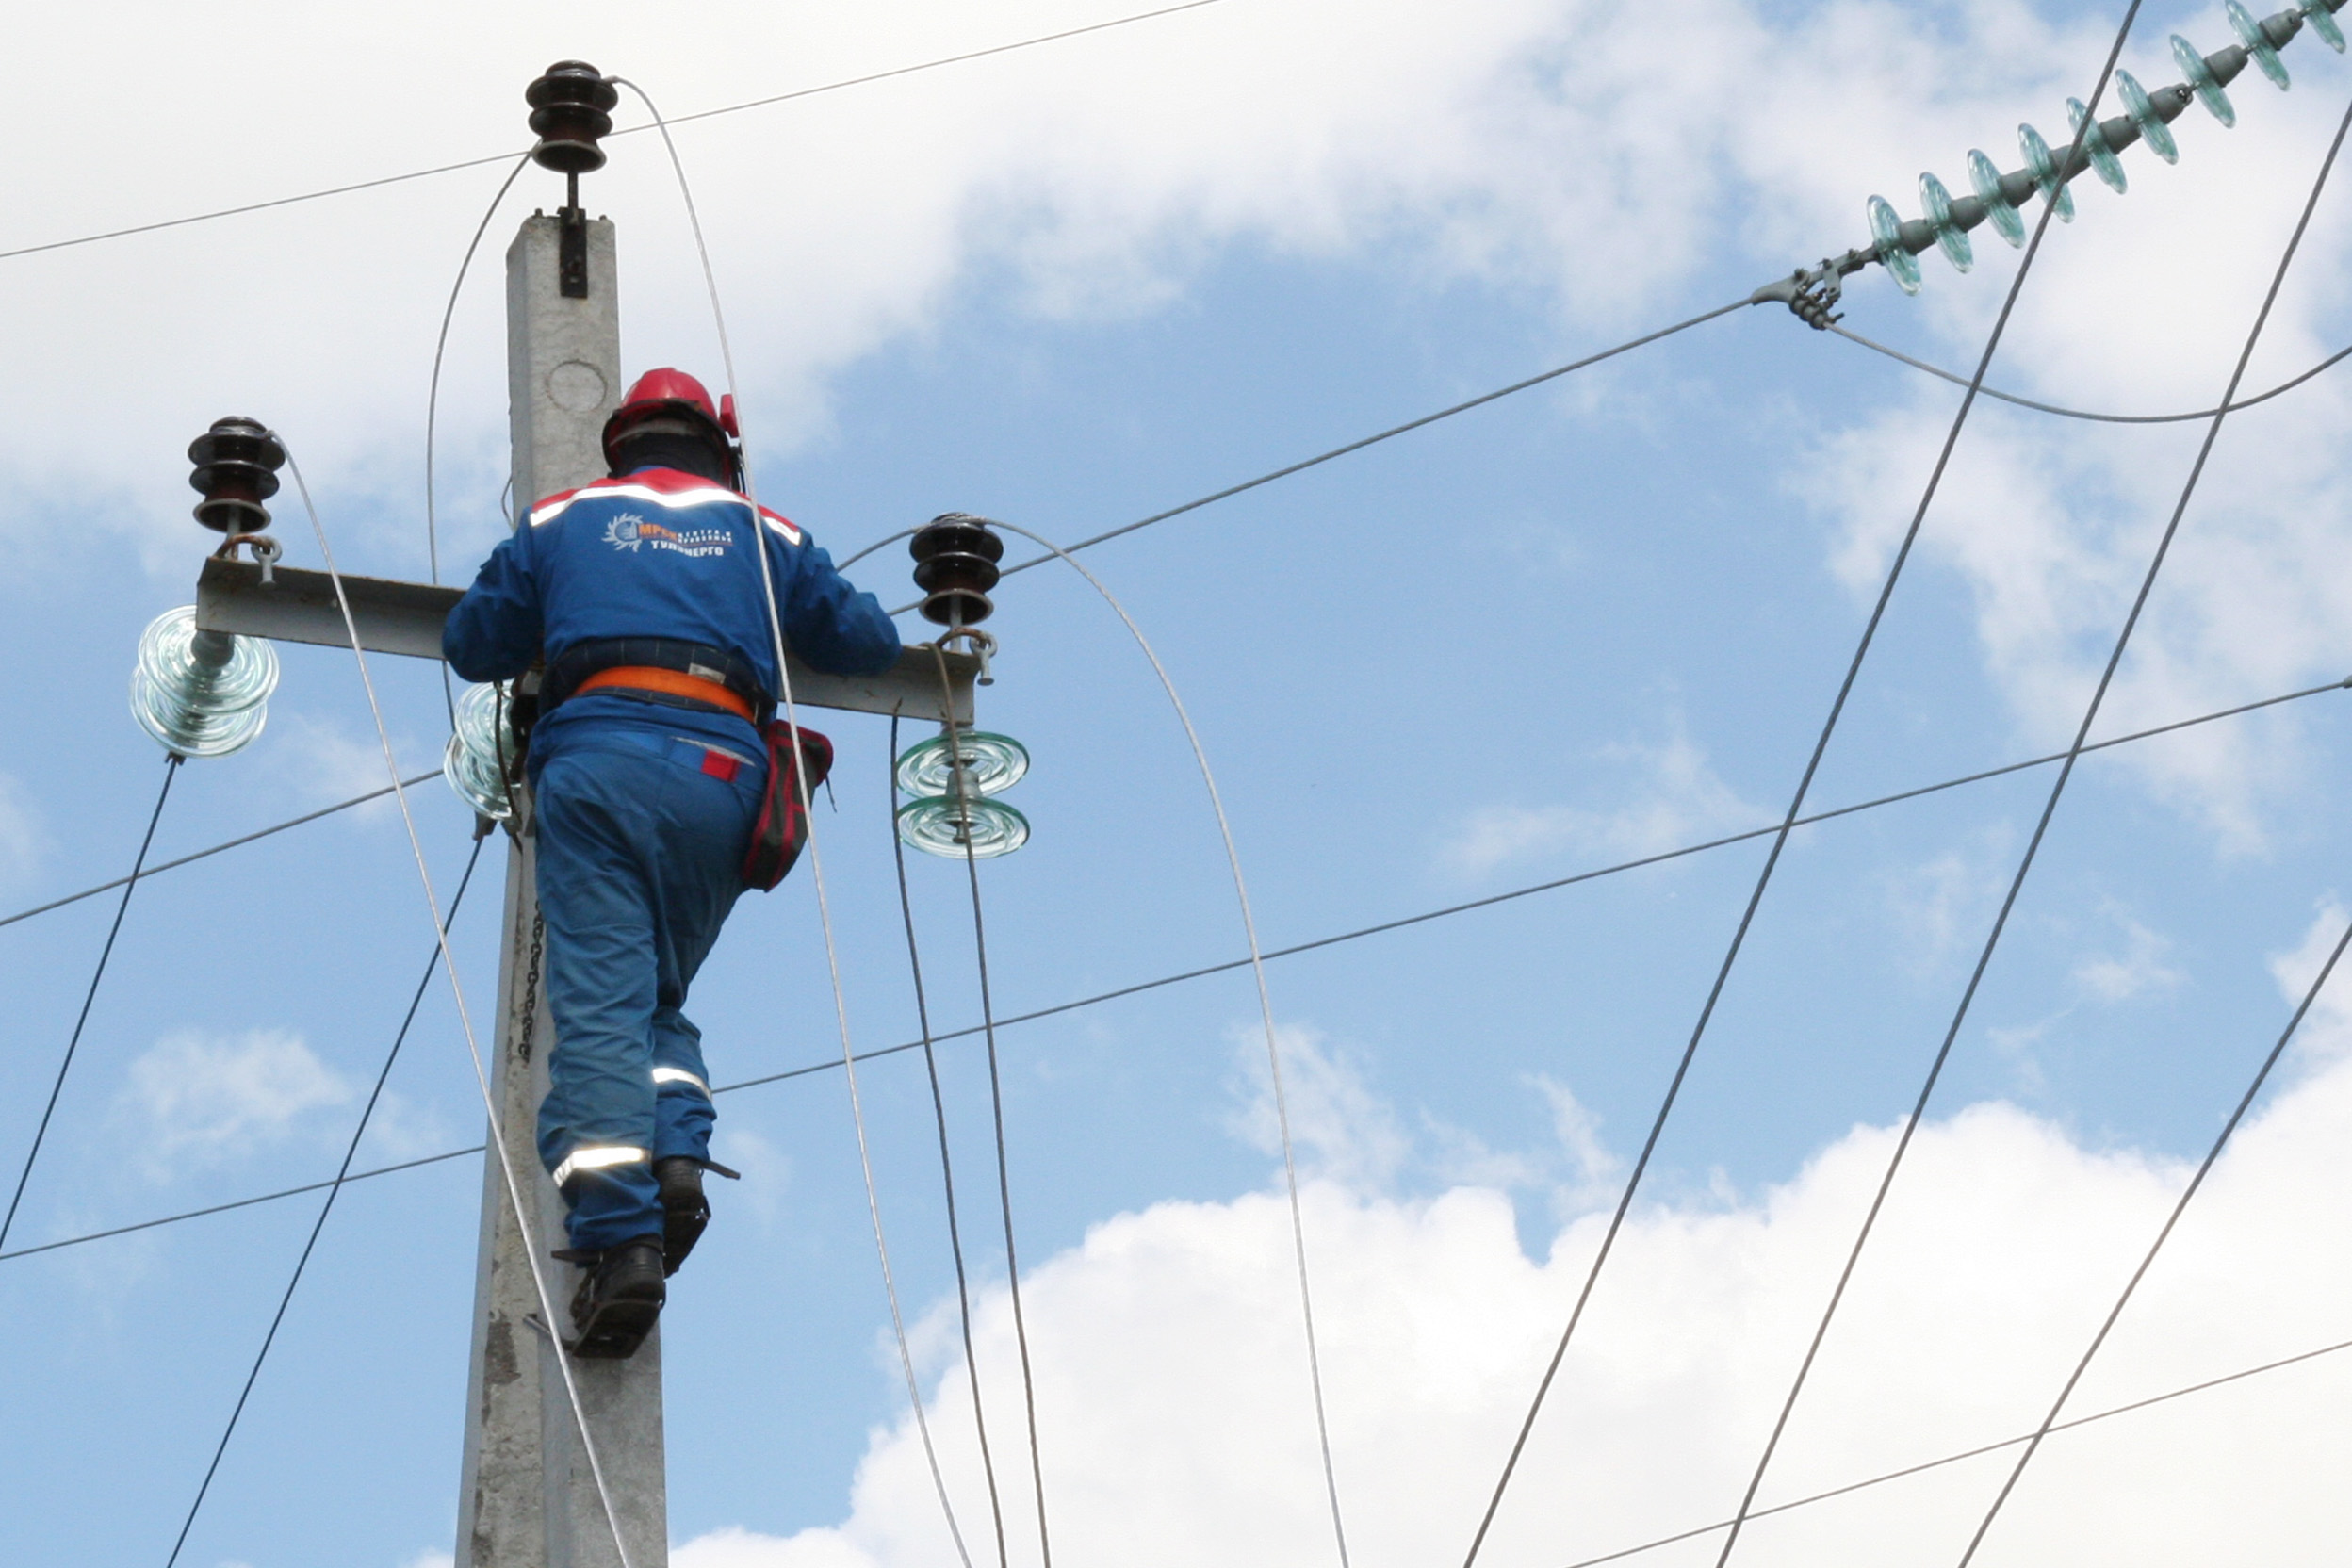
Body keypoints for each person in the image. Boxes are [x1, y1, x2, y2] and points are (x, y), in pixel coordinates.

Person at [444, 368, 901, 1357]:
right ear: (719, 445)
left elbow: (473, 643)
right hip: (724, 774)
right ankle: (677, 1161)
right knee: (651, 996)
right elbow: (867, 641)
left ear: (622, 442)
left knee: (604, 999)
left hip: (602, 760)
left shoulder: (565, 513)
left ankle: (619, 1237)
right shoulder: (763, 529)